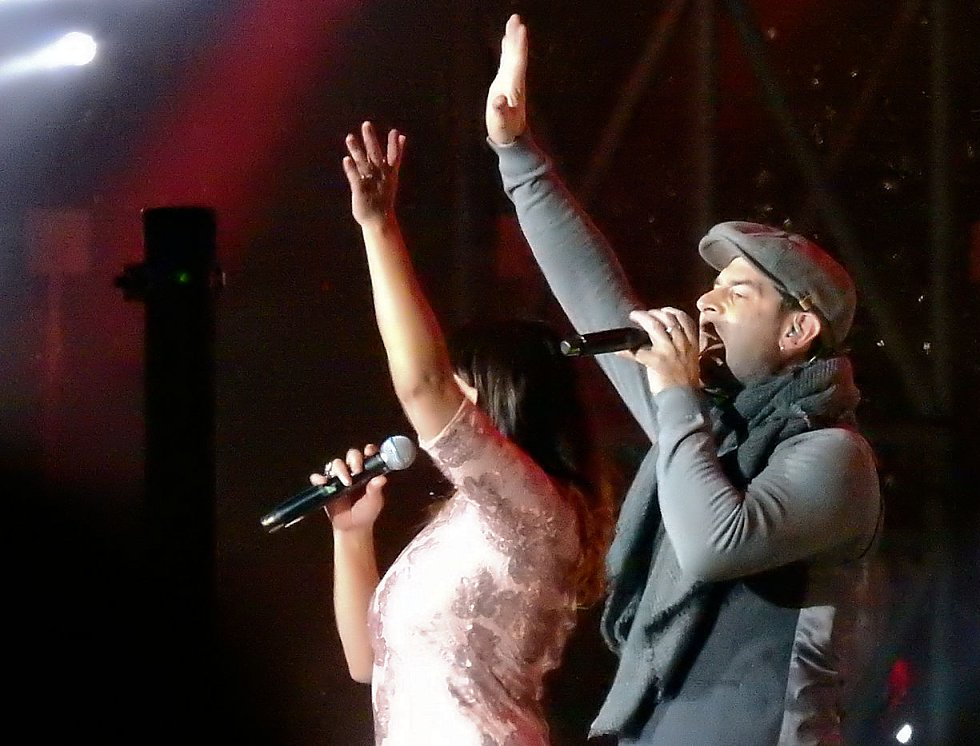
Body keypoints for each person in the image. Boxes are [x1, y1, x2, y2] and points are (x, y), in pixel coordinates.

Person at [483, 14, 884, 746]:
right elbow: (596, 294)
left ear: (797, 331)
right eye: (712, 288)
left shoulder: (834, 456)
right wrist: (517, 154)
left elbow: (713, 543)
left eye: (738, 292)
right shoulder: (701, 422)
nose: (705, 303)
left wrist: (675, 396)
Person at [308, 120, 615, 746]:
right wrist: (352, 535)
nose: (450, 408)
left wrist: (379, 227)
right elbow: (369, 663)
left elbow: (422, 386)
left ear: (507, 397)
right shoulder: (470, 521)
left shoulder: (536, 512)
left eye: (463, 388)